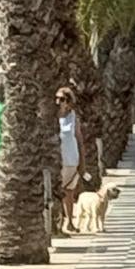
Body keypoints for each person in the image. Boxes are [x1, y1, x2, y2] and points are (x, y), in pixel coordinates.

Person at [56, 85, 82, 230]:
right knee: (57, 190)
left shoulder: (73, 117)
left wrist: (83, 163)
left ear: (68, 101)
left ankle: (70, 222)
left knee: (69, 192)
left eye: (62, 99)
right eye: (57, 98)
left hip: (71, 159)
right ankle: (58, 223)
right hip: (56, 159)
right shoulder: (51, 117)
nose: (58, 102)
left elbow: (79, 139)